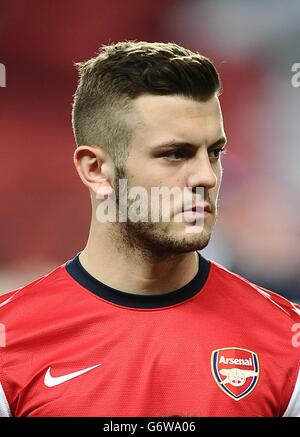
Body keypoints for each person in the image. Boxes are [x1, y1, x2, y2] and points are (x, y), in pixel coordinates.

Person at [0, 41, 299, 417]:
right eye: (175, 154)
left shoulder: (288, 342)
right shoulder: (8, 342)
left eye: (214, 153)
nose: (206, 177)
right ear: (95, 169)